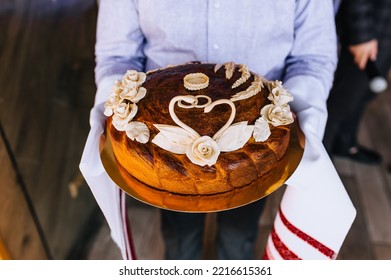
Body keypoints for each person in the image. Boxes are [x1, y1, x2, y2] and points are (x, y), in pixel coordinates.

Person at [92, 0, 338, 259]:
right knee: (179, 240)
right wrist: (113, 113)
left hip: (257, 149)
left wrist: (297, 115)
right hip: (161, 154)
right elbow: (117, 57)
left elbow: (312, 58)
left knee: (239, 236)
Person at [323, 0, 391, 164]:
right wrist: (361, 35)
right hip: (368, 31)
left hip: (386, 32)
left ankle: (345, 143)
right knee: (343, 100)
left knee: (365, 93)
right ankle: (320, 160)